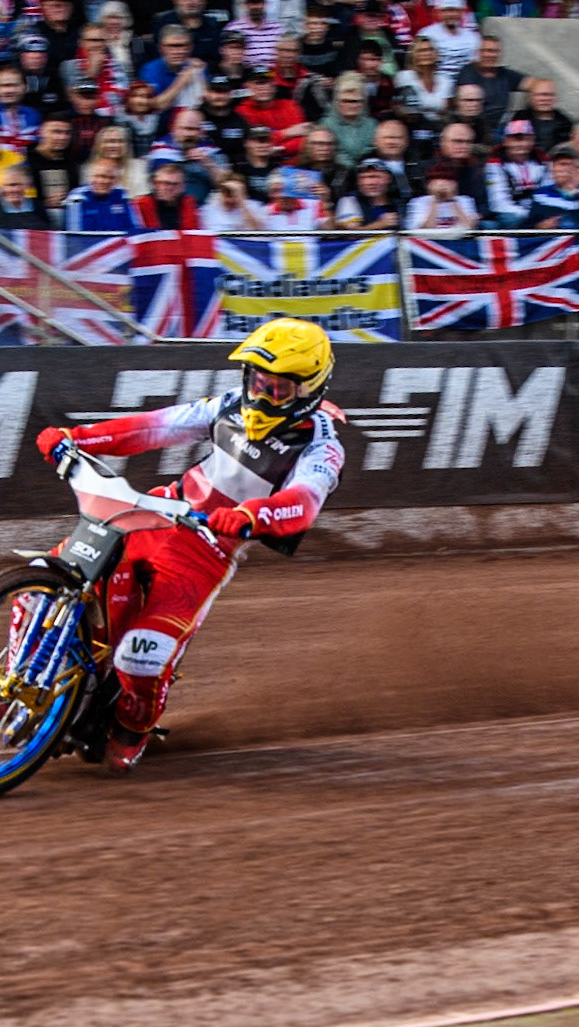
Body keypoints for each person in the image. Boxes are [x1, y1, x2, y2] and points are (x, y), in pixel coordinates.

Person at [30, 320, 344, 773]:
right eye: (258, 382)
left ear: (309, 391)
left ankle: (134, 726)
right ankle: (23, 674)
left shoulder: (322, 446)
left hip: (208, 550)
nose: (261, 396)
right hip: (154, 514)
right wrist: (76, 438)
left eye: (277, 390)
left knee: (140, 654)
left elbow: (304, 503)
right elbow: (154, 428)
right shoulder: (228, 405)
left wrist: (253, 515)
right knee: (51, 577)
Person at [65, 158, 139, 230]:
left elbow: (136, 229)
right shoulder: (77, 197)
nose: (106, 181)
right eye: (101, 176)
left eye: (111, 178)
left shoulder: (122, 195)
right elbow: (74, 233)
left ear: (117, 180)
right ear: (91, 177)